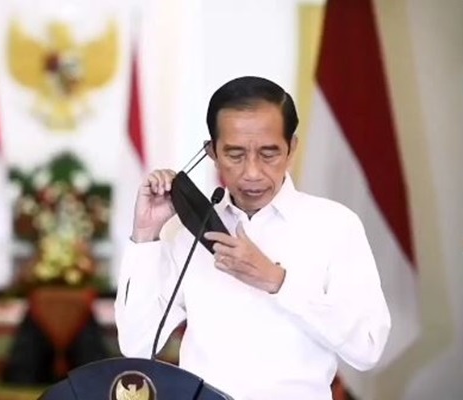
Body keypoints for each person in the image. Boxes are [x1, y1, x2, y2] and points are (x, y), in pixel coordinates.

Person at [114, 76, 391, 400]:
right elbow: (137, 346)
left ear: (291, 149)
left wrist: (277, 281)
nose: (252, 172)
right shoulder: (189, 232)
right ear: (211, 152)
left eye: (269, 154)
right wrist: (146, 235)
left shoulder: (335, 225)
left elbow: (368, 348)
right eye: (235, 154)